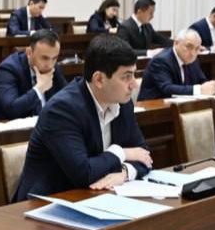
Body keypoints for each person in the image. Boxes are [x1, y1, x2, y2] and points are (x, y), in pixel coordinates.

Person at [11, 35, 153, 200]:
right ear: (99, 79)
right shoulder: (62, 110)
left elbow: (144, 155)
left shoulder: (122, 103)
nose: (134, 84)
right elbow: (83, 173)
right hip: (47, 203)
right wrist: (122, 152)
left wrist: (124, 173)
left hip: (95, 196)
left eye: (134, 75)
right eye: (126, 76)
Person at [0, 30, 68, 121]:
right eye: (44, 58)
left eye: (55, 58)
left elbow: (68, 97)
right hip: (1, 126)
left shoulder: (52, 67)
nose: (49, 64)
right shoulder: (8, 69)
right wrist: (39, 89)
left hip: (41, 126)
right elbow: (12, 109)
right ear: (29, 52)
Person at [139, 29, 215, 100]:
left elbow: (202, 80)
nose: (193, 53)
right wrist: (199, 89)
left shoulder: (193, 60)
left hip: (180, 105)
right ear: (176, 43)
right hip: (154, 106)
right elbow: (167, 88)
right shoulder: (161, 60)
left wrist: (210, 87)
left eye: (197, 49)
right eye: (189, 47)